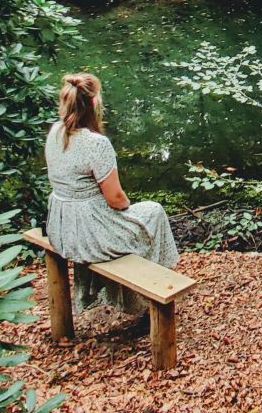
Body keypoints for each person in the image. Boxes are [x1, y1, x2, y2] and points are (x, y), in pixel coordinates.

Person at [44, 71, 179, 315]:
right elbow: (116, 199)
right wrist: (127, 206)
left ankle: (134, 297)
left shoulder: (55, 132)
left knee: (135, 222)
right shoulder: (96, 143)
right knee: (154, 212)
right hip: (88, 234)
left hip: (62, 229)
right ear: (94, 103)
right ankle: (152, 297)